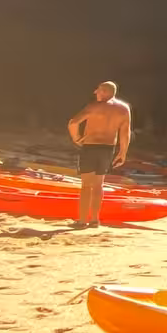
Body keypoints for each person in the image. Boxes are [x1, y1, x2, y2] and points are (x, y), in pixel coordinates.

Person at [67, 81, 131, 229]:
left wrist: (76, 138)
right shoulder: (124, 109)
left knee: (86, 186)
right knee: (98, 185)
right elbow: (125, 132)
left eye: (99, 90)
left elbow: (73, 123)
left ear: (106, 92)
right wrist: (123, 152)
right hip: (108, 149)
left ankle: (82, 221)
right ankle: (95, 220)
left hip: (90, 147)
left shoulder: (93, 107)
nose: (95, 92)